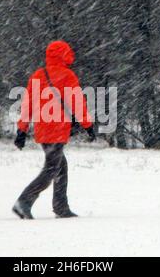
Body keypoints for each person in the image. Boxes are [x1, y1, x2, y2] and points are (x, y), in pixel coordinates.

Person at [13, 40, 96, 219]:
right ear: (64, 55)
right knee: (51, 169)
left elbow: (27, 104)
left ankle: (61, 207)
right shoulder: (67, 75)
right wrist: (88, 125)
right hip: (57, 128)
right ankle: (24, 202)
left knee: (60, 167)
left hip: (43, 129)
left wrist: (22, 130)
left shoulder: (38, 75)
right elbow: (78, 103)